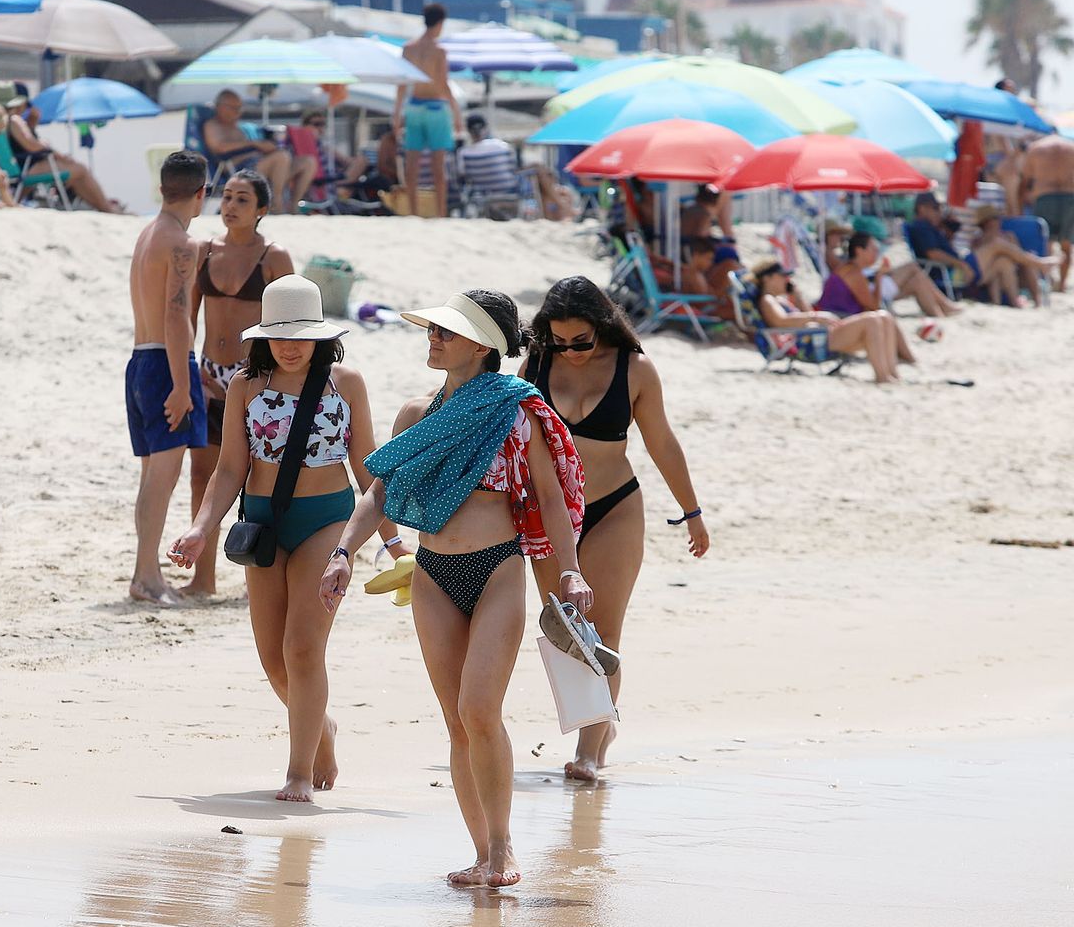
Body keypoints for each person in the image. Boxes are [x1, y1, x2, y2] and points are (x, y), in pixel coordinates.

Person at [319, 291, 592, 888]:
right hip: (433, 573)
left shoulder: (516, 409)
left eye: (447, 332)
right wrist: (343, 552)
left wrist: (570, 569)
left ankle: (504, 847)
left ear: (482, 344)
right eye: (433, 330)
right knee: (456, 720)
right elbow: (380, 492)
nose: (433, 338)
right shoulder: (417, 413)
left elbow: (551, 498)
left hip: (498, 568)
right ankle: (480, 854)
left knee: (479, 709)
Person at [170, 275, 406, 802]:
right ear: (264, 337)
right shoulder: (246, 385)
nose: (290, 346)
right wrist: (201, 528)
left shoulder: (346, 383)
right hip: (264, 525)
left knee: (302, 649)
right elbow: (230, 468)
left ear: (320, 336)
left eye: (300, 336)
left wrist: (392, 544)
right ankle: (321, 726)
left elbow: (367, 468)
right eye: (279, 336)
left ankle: (299, 772)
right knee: (273, 660)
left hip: (328, 522)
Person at [521, 277, 708, 782]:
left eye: (581, 341)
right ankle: (599, 723)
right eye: (560, 341)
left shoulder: (634, 368)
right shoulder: (536, 364)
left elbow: (661, 441)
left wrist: (691, 512)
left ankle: (588, 750)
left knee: (602, 633)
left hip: (614, 508)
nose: (570, 351)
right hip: (550, 515)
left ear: (602, 326)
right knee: (565, 630)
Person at [183, 171, 295, 597]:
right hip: (210, 374)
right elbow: (188, 316)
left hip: (256, 378)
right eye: (226, 197)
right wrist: (190, 369)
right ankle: (203, 578)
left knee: (262, 479)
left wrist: (274, 378)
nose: (230, 206)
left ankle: (265, 573)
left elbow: (292, 325)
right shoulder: (204, 250)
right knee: (202, 475)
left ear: (261, 209)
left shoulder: (273, 256)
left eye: (242, 199)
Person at [127, 152, 210, 606]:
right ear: (201, 193)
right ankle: (146, 577)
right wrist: (182, 383)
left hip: (140, 359)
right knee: (162, 477)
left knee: (151, 477)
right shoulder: (181, 242)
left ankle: (146, 572)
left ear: (161, 189)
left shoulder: (147, 234)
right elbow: (177, 316)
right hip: (166, 362)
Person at [752, 258, 913, 383]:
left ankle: (892, 374)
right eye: (782, 276)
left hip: (817, 336)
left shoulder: (781, 300)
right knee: (872, 320)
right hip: (809, 342)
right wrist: (817, 316)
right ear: (767, 278)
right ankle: (882, 376)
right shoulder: (767, 300)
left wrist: (799, 297)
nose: (787, 280)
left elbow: (805, 313)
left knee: (884, 317)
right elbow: (780, 321)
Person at [2, 83, 121, 212]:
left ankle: (105, 207)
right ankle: (107, 208)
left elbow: (25, 143)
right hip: (29, 167)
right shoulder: (15, 120)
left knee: (76, 174)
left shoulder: (4, 121)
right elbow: (32, 146)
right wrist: (58, 155)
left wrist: (33, 121)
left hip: (26, 165)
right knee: (80, 170)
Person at [395, 3, 462, 218]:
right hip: (436, 107)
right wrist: (456, 112)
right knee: (438, 167)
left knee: (411, 165)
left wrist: (396, 114)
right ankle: (440, 213)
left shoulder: (408, 48)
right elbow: (443, 83)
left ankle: (413, 212)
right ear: (440, 23)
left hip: (414, 106)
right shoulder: (439, 50)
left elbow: (402, 84)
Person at [202, 90, 309, 212]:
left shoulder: (238, 127)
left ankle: (293, 205)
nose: (238, 112)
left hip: (256, 162)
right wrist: (254, 144)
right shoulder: (212, 125)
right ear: (220, 107)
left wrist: (264, 147)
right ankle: (276, 203)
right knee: (281, 157)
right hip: (236, 168)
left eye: (239, 108)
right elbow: (219, 147)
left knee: (307, 162)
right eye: (234, 108)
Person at [818, 231, 962, 317]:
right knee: (912, 268)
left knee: (917, 281)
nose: (877, 253)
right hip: (845, 312)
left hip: (850, 304)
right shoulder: (851, 271)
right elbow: (873, 307)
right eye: (873, 249)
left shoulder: (851, 268)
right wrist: (879, 276)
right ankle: (945, 308)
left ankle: (940, 314)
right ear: (859, 251)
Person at [972, 205, 1058, 308]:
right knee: (1004, 262)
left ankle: (1037, 303)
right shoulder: (978, 241)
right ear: (987, 222)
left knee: (1026, 263)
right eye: (996, 218)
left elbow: (1019, 257)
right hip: (992, 277)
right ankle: (1040, 265)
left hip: (1014, 275)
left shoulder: (1008, 236)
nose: (999, 221)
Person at [1019, 133, 1074, 292]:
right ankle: (1062, 285)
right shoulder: (1071, 147)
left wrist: (1020, 204)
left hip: (1044, 196)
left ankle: (1046, 282)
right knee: (1066, 245)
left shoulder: (1036, 148)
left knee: (1045, 241)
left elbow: (1025, 179)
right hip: (1070, 196)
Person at [907, 192, 980, 294]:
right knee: (995, 247)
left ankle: (996, 298)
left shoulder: (931, 227)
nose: (939, 212)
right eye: (935, 208)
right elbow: (933, 254)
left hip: (950, 270)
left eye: (941, 208)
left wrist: (948, 229)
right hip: (947, 271)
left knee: (1000, 263)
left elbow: (945, 249)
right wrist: (961, 264)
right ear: (922, 208)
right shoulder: (922, 227)